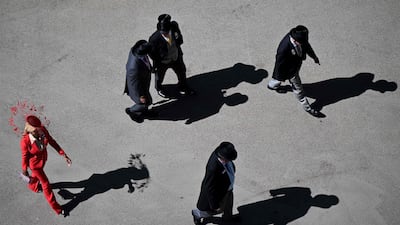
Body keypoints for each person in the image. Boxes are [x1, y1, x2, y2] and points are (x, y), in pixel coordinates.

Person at [20, 115, 72, 215]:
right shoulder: (25, 141)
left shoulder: (42, 130)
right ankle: (57, 209)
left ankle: (33, 187)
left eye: (39, 129)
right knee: (46, 184)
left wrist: (63, 154)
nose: (40, 131)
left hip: (43, 160)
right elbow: (24, 156)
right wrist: (24, 169)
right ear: (31, 130)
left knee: (35, 178)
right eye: (36, 130)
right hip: (35, 166)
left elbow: (52, 142)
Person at [267, 25, 323, 117]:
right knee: (298, 90)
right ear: (295, 40)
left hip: (294, 66)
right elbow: (279, 65)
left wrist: (314, 57)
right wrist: (281, 76)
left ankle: (272, 86)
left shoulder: (301, 39)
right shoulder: (283, 48)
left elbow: (307, 47)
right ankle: (308, 108)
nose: (304, 43)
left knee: (277, 80)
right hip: (290, 72)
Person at [148, 14, 195, 98]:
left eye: (166, 32)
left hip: (176, 57)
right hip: (163, 62)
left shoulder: (174, 26)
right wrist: (159, 60)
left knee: (182, 72)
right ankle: (159, 88)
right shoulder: (154, 39)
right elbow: (151, 53)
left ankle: (183, 86)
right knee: (159, 77)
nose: (165, 34)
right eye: (163, 32)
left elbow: (180, 39)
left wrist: (178, 38)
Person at [192, 142, 237, 225]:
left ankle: (228, 219)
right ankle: (197, 214)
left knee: (229, 204)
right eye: (229, 160)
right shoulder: (212, 168)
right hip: (219, 191)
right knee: (217, 209)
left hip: (227, 187)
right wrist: (214, 205)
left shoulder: (222, 154)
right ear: (224, 158)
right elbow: (209, 187)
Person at [124, 40, 155, 122]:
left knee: (147, 101)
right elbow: (135, 85)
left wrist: (150, 68)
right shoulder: (134, 68)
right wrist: (141, 96)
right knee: (145, 102)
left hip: (142, 81)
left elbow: (146, 61)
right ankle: (131, 110)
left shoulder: (137, 50)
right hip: (138, 88)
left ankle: (145, 111)